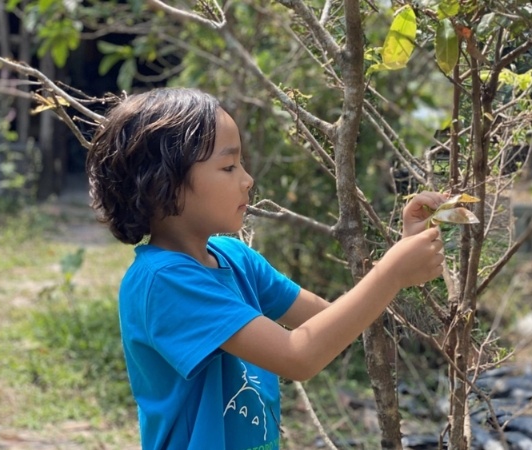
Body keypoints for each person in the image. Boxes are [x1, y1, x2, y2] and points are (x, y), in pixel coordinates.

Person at [86, 87, 445, 450]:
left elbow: (327, 318)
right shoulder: (164, 281)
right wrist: (393, 271)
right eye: (228, 166)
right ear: (164, 184)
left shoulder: (234, 257)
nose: (247, 179)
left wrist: (400, 252)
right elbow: (298, 356)